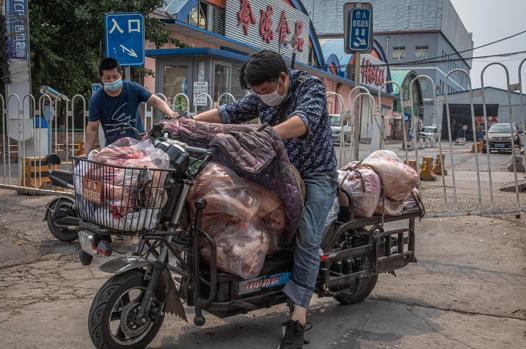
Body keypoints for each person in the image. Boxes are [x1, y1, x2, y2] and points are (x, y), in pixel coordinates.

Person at [191, 50, 337, 349]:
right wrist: (188, 123)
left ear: (282, 79)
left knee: (308, 238)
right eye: (256, 93)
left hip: (315, 174)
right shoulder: (261, 93)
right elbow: (227, 113)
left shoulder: (311, 87)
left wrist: (266, 135)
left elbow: (302, 122)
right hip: (275, 172)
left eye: (265, 91)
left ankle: (298, 316)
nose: (261, 97)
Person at [84, 57, 179, 154]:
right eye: (107, 78)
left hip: (139, 146)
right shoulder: (97, 99)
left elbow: (155, 101)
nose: (112, 80)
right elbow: (92, 128)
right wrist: (87, 154)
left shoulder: (132, 88)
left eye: (115, 77)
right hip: (114, 150)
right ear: (101, 78)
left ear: (121, 74)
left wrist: (170, 112)